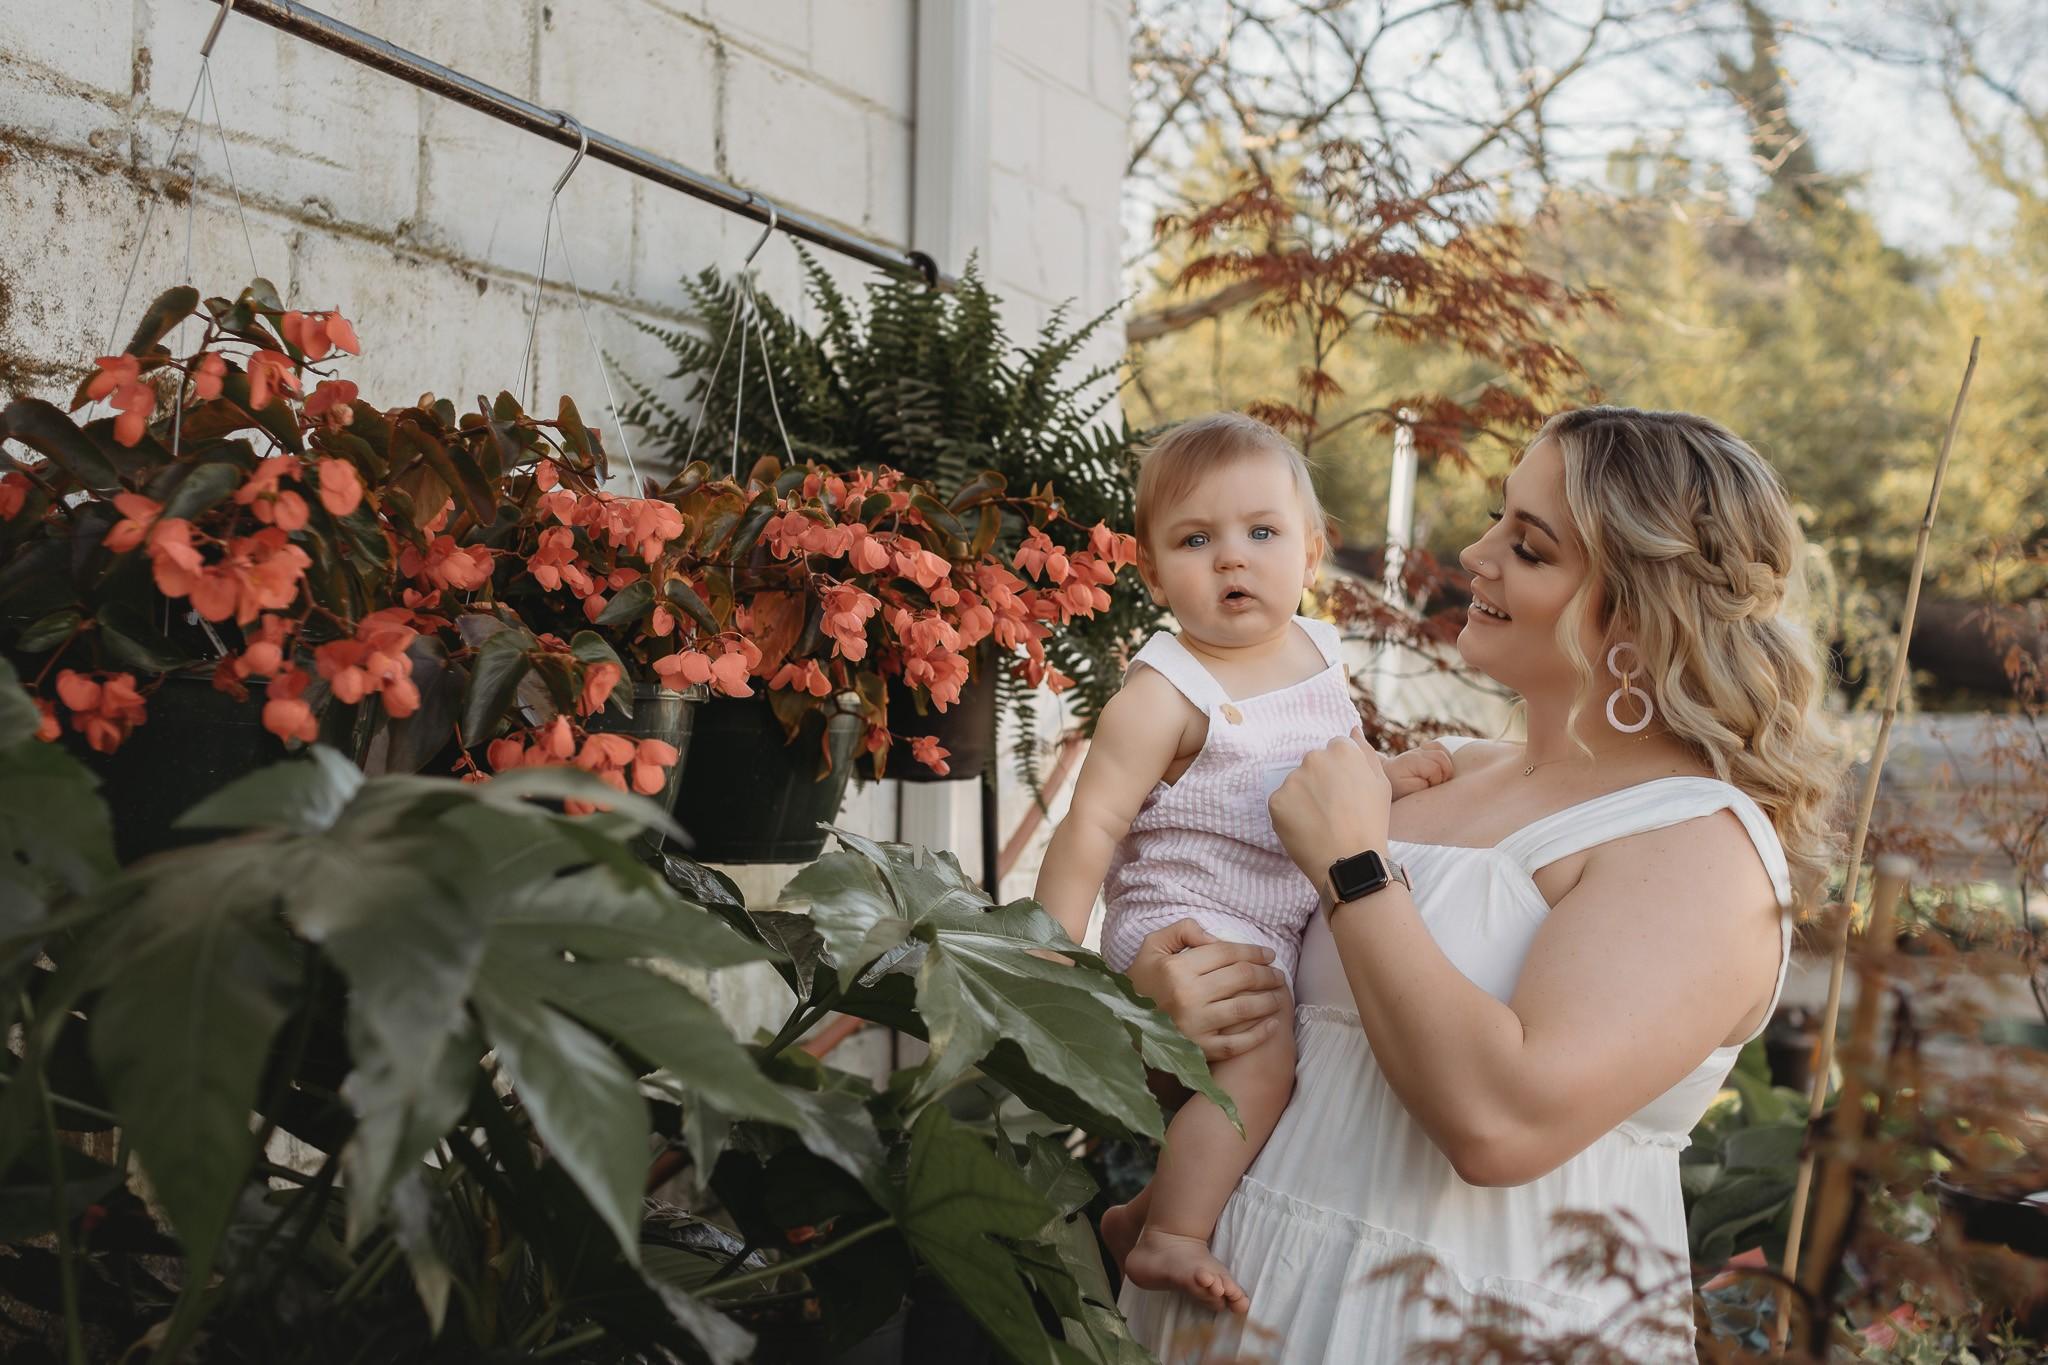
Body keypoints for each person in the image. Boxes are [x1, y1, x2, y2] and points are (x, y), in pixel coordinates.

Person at [1116, 406, 1844, 1361]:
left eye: (1529, 547)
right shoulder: (1436, 772)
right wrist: (1159, 1007)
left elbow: (1502, 1125)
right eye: (1499, 519)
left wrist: (1355, 871)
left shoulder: (1698, 847)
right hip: (1235, 1303)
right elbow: (1273, 1022)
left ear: (1636, 612)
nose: (1475, 552)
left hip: (1461, 1329)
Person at [1033, 413, 1453, 1313]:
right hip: (1186, 917)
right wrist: (1051, 954)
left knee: (1293, 1081)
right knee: (1262, 1068)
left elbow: (1320, 765)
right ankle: (1169, 1239)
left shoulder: (1318, 652)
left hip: (1271, 917)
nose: (1233, 559)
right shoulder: (1165, 693)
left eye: (1261, 533)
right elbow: (1087, 828)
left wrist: (1383, 772)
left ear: (1310, 553)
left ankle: (1137, 1211)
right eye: (1196, 540)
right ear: (1150, 571)